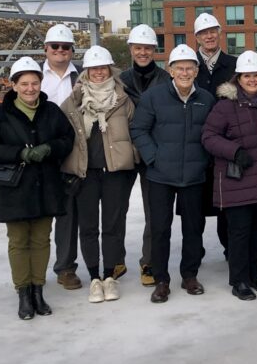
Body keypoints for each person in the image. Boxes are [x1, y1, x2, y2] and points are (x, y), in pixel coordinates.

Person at [0, 56, 75, 320]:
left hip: (46, 185)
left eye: (34, 83)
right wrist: (19, 153)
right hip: (16, 188)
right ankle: (23, 292)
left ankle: (38, 291)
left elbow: (68, 138)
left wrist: (50, 148)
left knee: (41, 239)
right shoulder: (1, 114)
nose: (30, 89)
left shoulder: (51, 110)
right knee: (19, 240)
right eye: (24, 84)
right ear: (14, 85)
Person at [129, 43, 216, 303]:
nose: (185, 72)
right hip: (160, 176)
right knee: (160, 229)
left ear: (197, 71)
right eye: (180, 68)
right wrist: (154, 158)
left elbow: (211, 134)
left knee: (193, 228)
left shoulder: (206, 99)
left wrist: (204, 161)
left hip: (193, 175)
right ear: (170, 70)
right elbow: (139, 130)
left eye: (190, 68)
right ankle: (161, 280)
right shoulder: (153, 97)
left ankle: (189, 275)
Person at [59, 45, 138, 304]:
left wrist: (132, 159)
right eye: (93, 68)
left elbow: (136, 131)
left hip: (115, 172)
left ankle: (109, 276)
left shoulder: (123, 99)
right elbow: (62, 134)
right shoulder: (73, 101)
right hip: (86, 173)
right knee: (89, 226)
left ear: (110, 70)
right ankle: (94, 277)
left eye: (103, 68)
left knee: (113, 226)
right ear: (87, 71)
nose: (98, 73)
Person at [201, 51, 257, 301]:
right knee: (240, 232)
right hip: (238, 180)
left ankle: (254, 275)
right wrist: (234, 151)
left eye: (256, 75)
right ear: (238, 79)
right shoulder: (225, 105)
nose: (253, 80)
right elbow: (209, 137)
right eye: (247, 76)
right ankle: (239, 279)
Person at [118, 24, 169, 287]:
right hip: (124, 151)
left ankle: (149, 262)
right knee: (118, 209)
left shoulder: (166, 79)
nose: (143, 52)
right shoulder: (119, 80)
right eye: (138, 48)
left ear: (154, 50)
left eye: (147, 48)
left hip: (153, 153)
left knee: (154, 212)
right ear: (131, 49)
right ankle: (115, 260)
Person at [41, 23, 84, 291]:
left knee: (68, 213)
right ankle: (33, 270)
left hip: (72, 151)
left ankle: (65, 268)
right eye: (55, 46)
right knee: (37, 215)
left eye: (65, 47)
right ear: (45, 49)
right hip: (41, 153)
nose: (60, 51)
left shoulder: (81, 77)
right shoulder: (34, 76)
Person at [193, 12, 237, 257]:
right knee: (195, 204)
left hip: (226, 145)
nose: (209, 36)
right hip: (195, 146)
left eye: (213, 31)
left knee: (227, 202)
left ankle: (232, 250)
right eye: (203, 32)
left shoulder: (233, 65)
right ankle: (194, 251)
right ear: (197, 37)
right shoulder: (189, 64)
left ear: (220, 33)